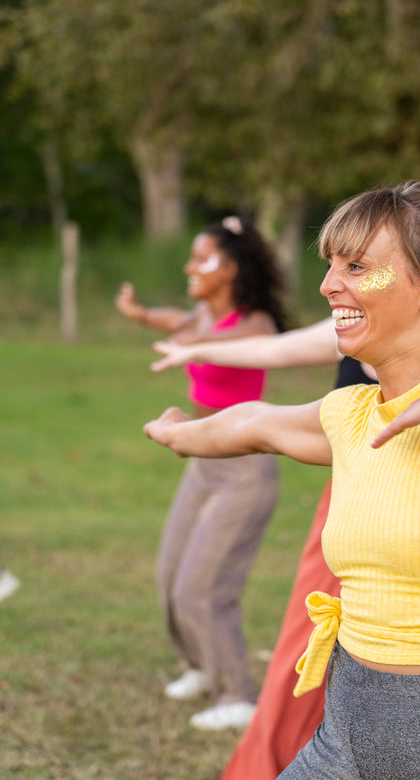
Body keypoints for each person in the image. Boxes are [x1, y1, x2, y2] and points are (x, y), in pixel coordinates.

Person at [143, 168, 420, 779]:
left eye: (356, 268)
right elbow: (254, 423)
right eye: (331, 266)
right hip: (345, 735)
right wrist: (177, 433)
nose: (328, 286)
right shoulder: (351, 415)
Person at [116, 216, 290, 731]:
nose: (190, 267)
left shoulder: (255, 324)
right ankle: (199, 663)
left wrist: (196, 346)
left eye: (202, 258)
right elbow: (179, 320)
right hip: (202, 465)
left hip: (244, 472)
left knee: (203, 587)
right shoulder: (200, 316)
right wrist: (141, 314)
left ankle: (237, 694)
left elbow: (246, 347)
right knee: (170, 574)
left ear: (231, 269)